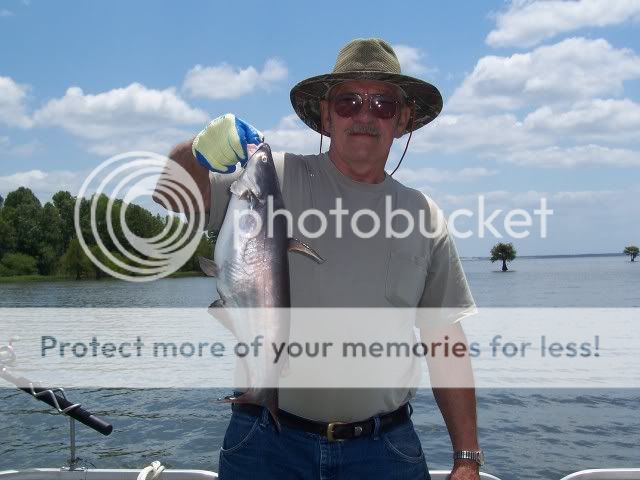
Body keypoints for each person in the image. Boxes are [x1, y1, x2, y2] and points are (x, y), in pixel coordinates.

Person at [155, 38, 483, 480]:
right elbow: (169, 194)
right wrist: (197, 148)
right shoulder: (273, 178)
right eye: (349, 101)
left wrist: (467, 457)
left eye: (383, 104)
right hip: (266, 442)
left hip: (384, 450)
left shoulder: (424, 216)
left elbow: (445, 342)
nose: (365, 115)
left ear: (403, 120)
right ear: (327, 115)